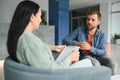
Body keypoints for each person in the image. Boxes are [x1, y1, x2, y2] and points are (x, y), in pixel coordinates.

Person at [7, 0, 93, 70]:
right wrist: (69, 58)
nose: (41, 20)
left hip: (45, 70)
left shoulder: (20, 36)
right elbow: (50, 71)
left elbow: (35, 48)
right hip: (55, 74)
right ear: (32, 17)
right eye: (40, 16)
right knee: (88, 62)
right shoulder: (29, 41)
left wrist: (53, 47)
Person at [62, 10, 117, 75]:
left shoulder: (102, 34)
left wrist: (90, 48)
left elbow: (103, 51)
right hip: (84, 56)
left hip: (98, 56)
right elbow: (65, 40)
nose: (89, 22)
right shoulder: (79, 30)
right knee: (96, 64)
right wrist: (77, 43)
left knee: (113, 63)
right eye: (88, 19)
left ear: (98, 22)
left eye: (93, 20)